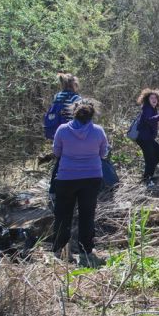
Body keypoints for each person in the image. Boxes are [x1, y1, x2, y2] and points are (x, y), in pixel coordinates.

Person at [52, 100, 108, 267]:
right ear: (92, 113)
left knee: (63, 215)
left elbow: (57, 152)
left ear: (73, 112)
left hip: (66, 178)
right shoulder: (98, 131)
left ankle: (60, 252)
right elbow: (103, 153)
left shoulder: (62, 130)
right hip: (91, 178)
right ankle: (86, 253)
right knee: (87, 216)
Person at [46, 73, 82, 208]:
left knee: (60, 161)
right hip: (71, 134)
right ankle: (61, 191)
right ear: (73, 84)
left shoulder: (58, 96)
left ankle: (53, 190)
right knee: (66, 162)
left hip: (58, 134)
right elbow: (79, 117)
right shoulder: (75, 97)